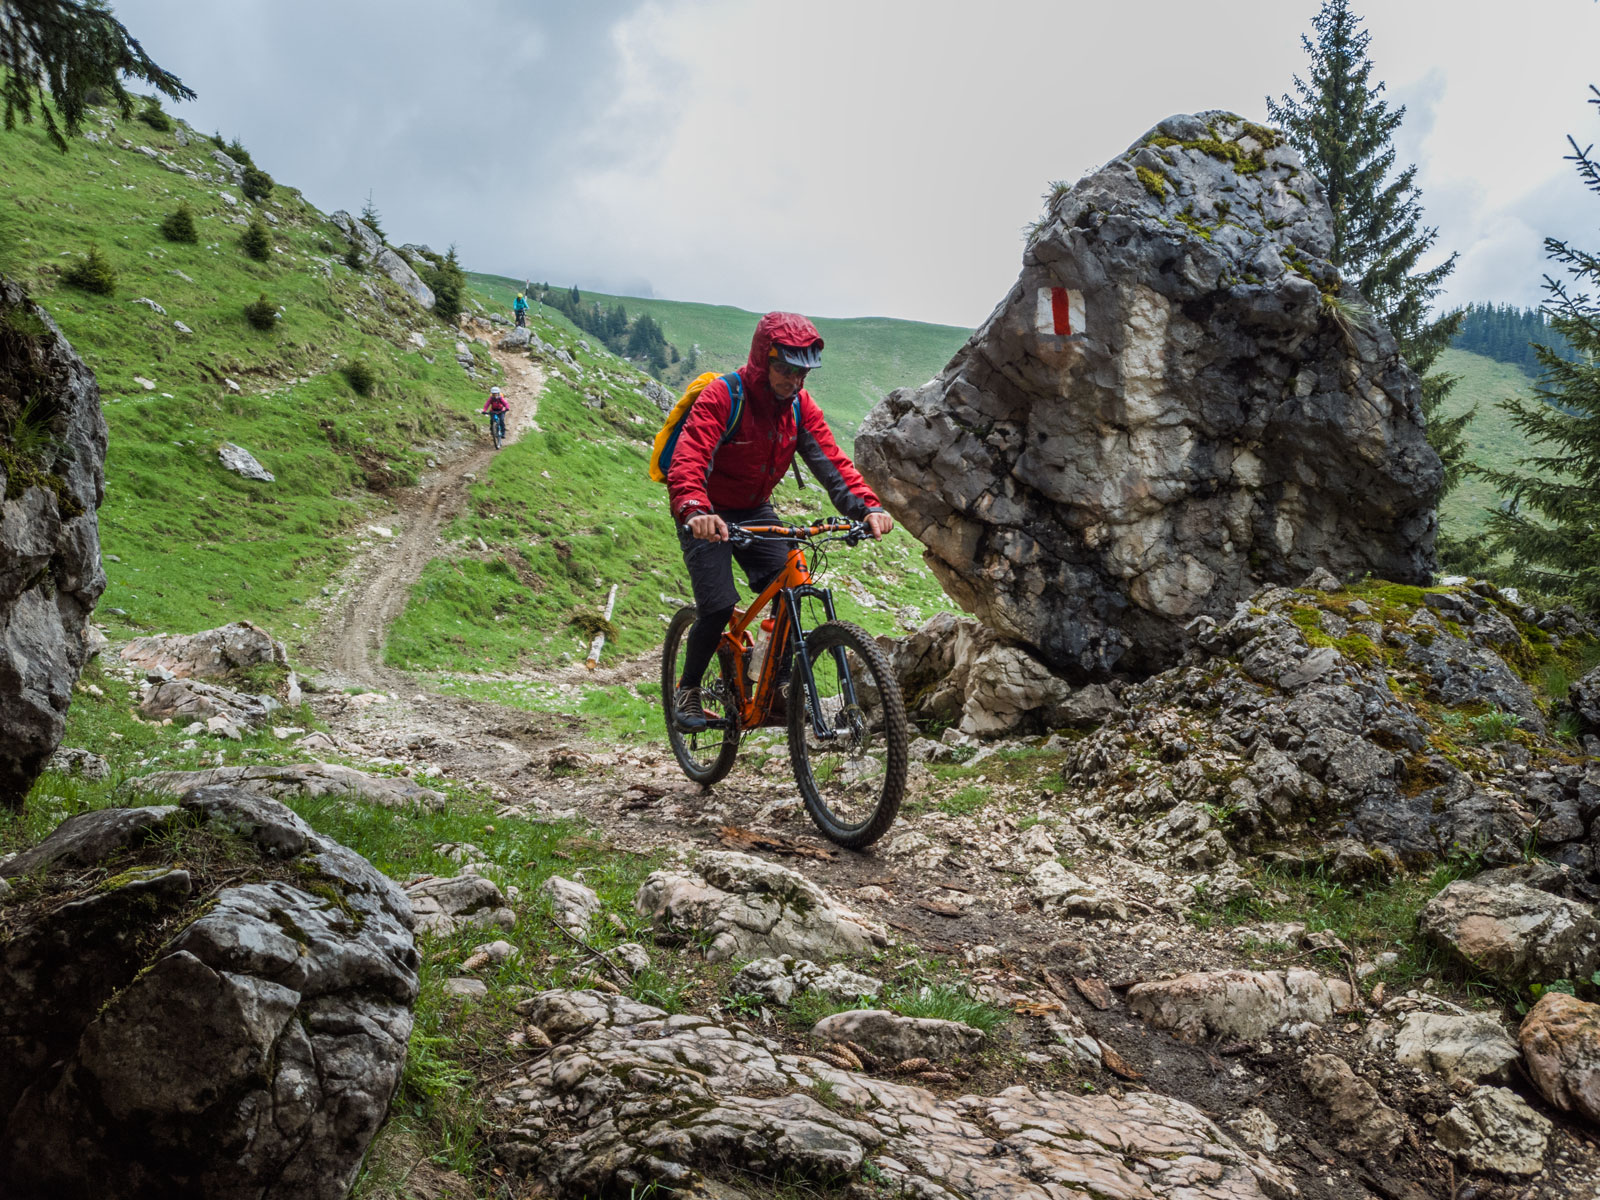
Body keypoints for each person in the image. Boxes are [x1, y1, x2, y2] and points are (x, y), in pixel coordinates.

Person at [666, 311, 893, 729]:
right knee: (718, 605)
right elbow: (690, 455)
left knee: (792, 584)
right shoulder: (723, 397)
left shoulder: (799, 408)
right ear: (762, 360)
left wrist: (867, 507)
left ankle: (778, 684)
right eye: (786, 370)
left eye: (802, 373)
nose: (795, 381)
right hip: (707, 510)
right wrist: (695, 509)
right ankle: (689, 689)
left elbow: (832, 462)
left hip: (753, 509)